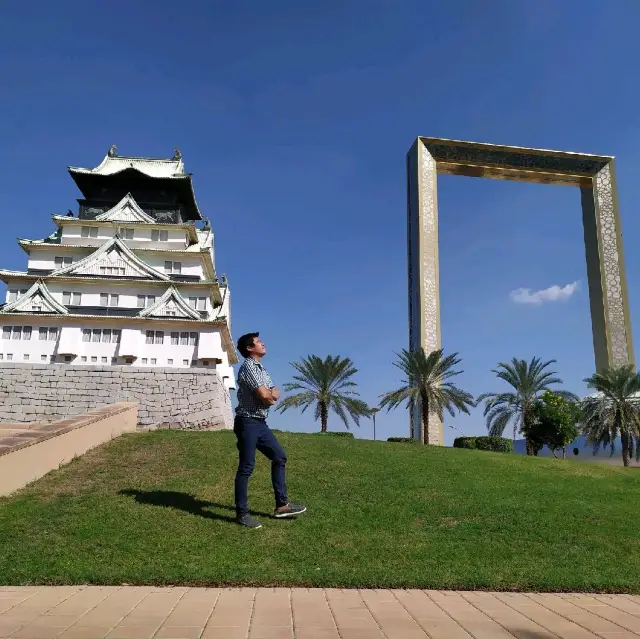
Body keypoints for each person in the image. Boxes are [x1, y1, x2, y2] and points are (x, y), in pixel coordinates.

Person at [234, 332, 306, 528]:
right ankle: (242, 513)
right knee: (246, 467)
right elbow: (266, 395)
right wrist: (269, 395)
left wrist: (269, 394)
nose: (263, 343)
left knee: (279, 457)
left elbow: (275, 391)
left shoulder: (262, 369)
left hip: (260, 423)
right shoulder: (249, 367)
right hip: (247, 422)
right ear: (249, 348)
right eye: (258, 342)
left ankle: (282, 506)